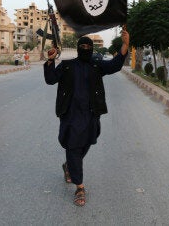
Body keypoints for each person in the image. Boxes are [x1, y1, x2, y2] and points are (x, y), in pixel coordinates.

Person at [44, 29, 129, 207]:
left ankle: (69, 165)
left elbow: (114, 65)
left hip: (91, 114)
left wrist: (125, 44)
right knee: (73, 146)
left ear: (91, 48)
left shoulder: (97, 65)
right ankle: (80, 187)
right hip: (70, 115)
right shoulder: (67, 65)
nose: (85, 48)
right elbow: (51, 79)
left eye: (88, 46)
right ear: (78, 48)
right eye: (82, 46)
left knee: (88, 141)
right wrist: (51, 60)